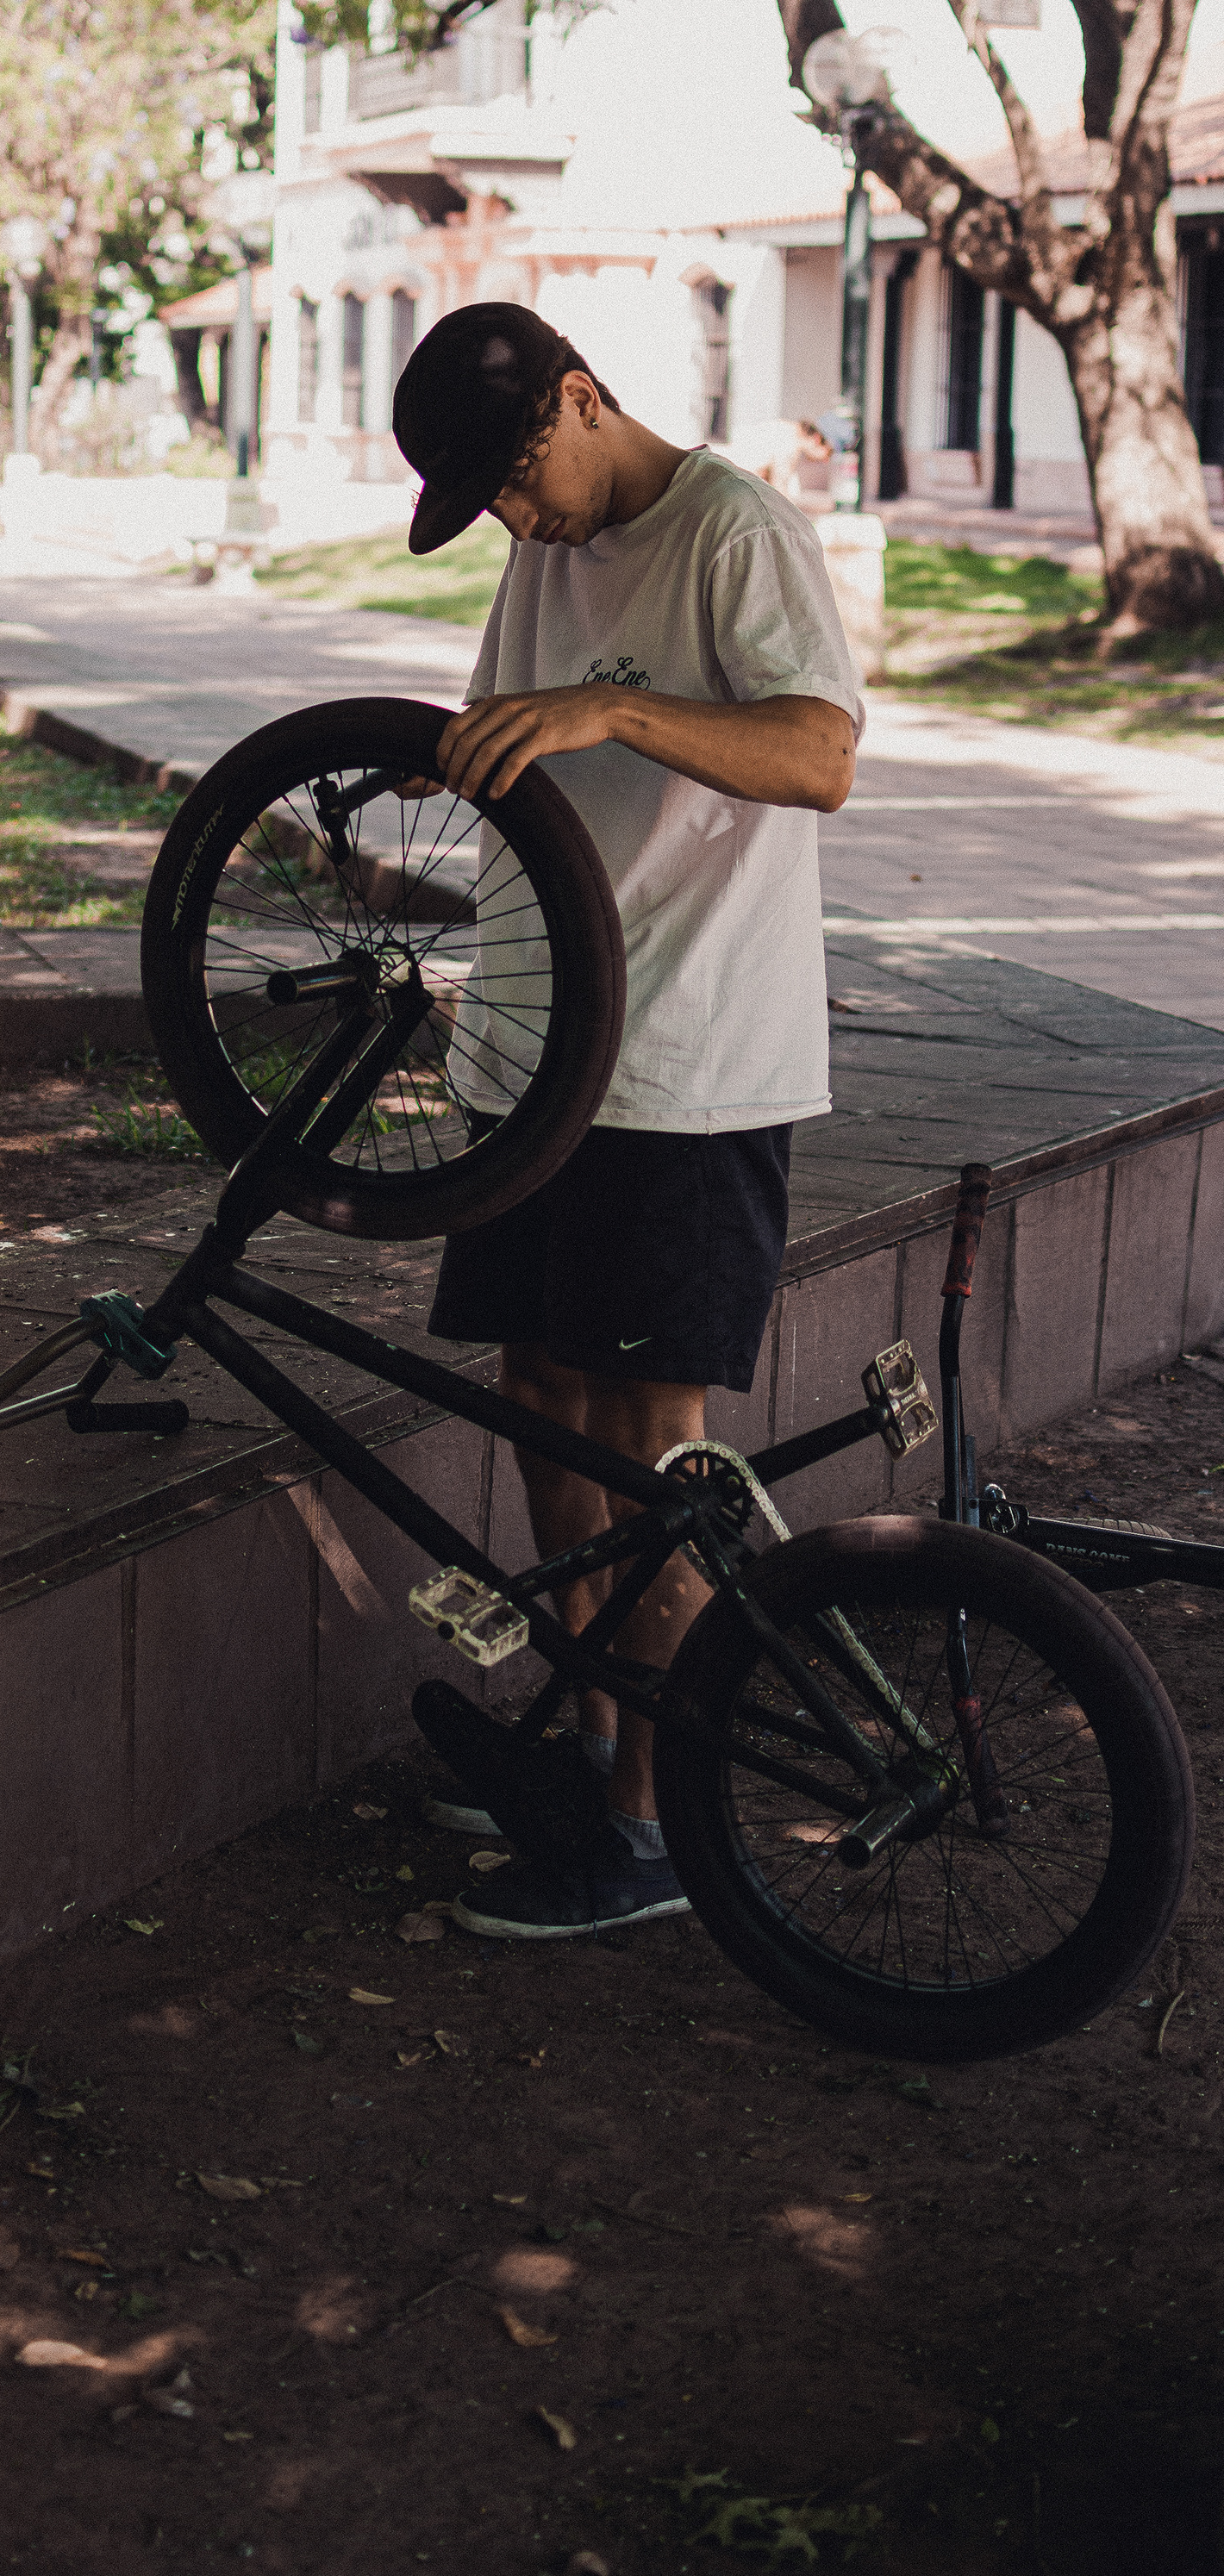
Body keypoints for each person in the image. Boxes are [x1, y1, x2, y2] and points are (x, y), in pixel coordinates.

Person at [389, 302, 864, 1940]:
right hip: (540, 1048)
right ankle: (594, 1742)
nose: (517, 523)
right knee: (539, 1392)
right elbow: (515, 743)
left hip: (690, 1062)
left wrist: (614, 709)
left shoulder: (735, 532)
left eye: (518, 481)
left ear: (583, 398)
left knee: (656, 1438)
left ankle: (653, 1826)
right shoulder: (546, 550)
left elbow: (819, 753)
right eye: (491, 506)